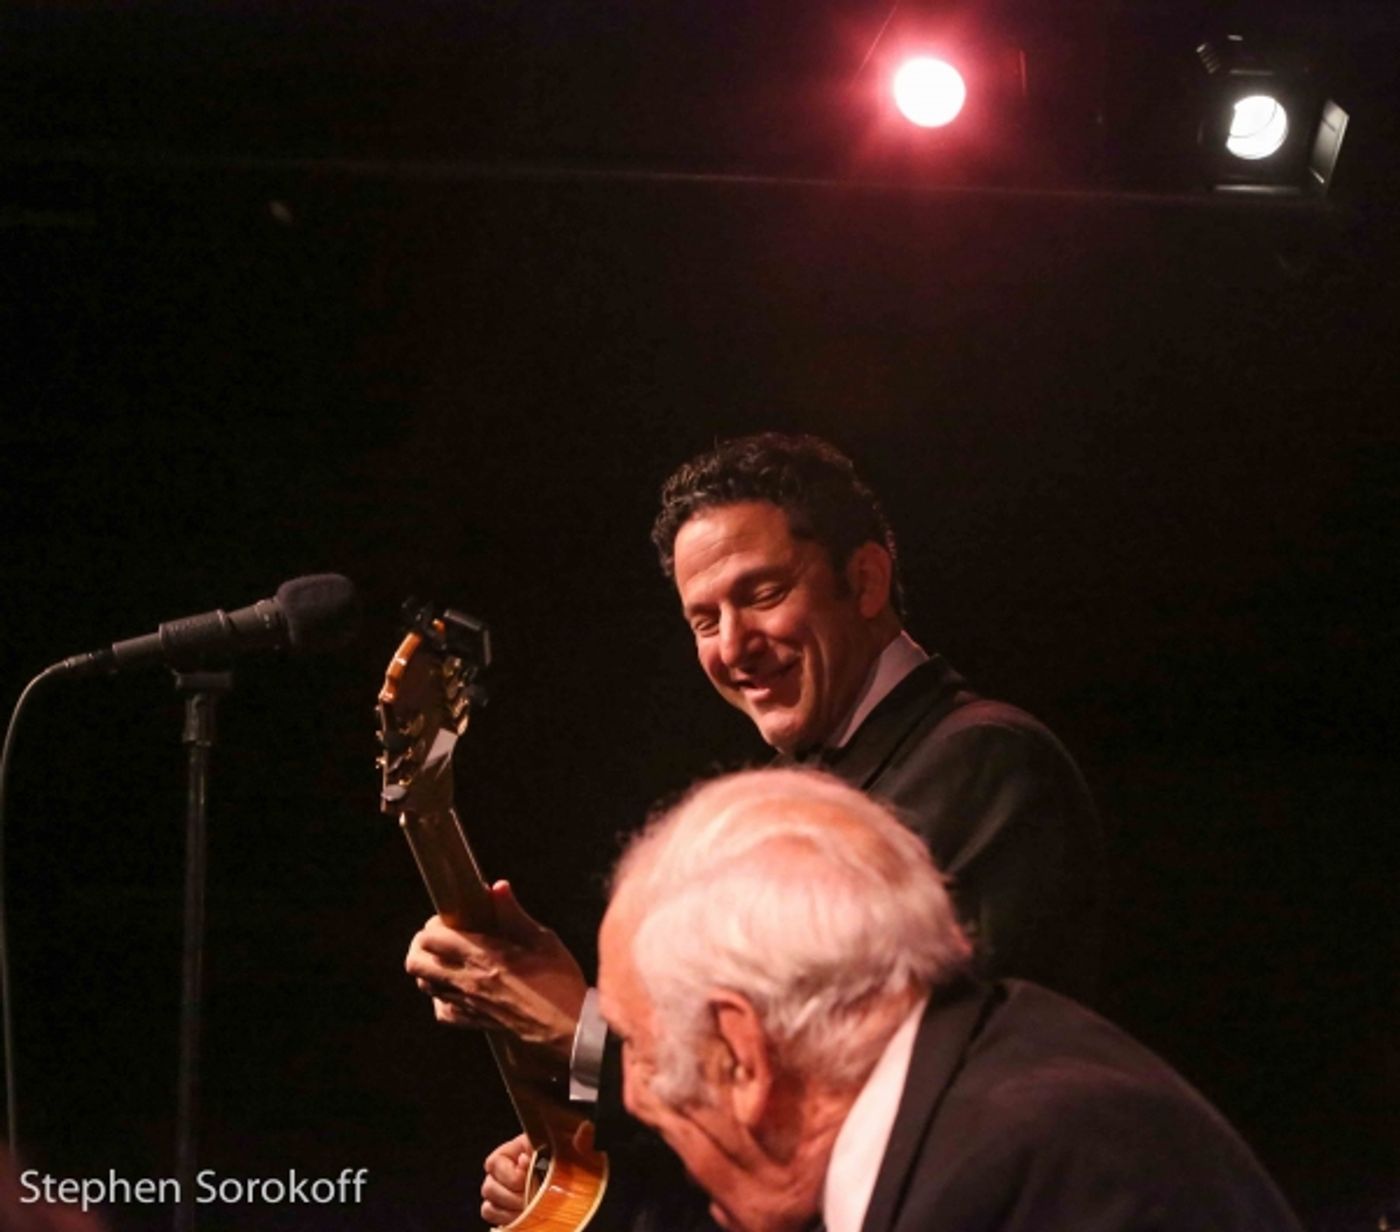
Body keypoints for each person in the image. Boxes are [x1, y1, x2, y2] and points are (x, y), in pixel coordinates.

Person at [404, 433, 1103, 1224]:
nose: (733, 647)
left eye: (763, 594)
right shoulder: (795, 799)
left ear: (866, 579)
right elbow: (747, 1132)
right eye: (704, 620)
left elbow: (880, 1103)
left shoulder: (983, 762)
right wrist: (584, 1159)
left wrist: (582, 1029)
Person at [597, 766, 1301, 1232]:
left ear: (742, 1057)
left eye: (634, 1044)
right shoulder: (1003, 1061)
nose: (629, 1093)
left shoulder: (1014, 1195)